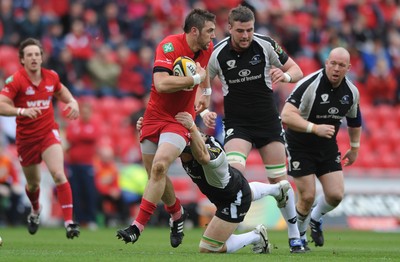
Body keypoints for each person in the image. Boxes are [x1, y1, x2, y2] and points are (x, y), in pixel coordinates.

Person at [205, 5, 305, 253]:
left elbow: (296, 70)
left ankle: (295, 236)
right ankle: (245, 230)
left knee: (279, 179)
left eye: (249, 30)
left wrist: (286, 78)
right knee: (233, 180)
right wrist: (204, 109)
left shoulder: (266, 44)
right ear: (229, 29)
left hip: (268, 123)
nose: (246, 35)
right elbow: (203, 86)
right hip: (238, 126)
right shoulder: (217, 54)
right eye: (240, 30)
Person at [116, 9, 216, 248]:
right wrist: (194, 81)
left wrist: (207, 93)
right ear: (194, 31)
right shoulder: (169, 46)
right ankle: (177, 212)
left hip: (179, 118)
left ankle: (136, 226)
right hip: (153, 116)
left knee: (160, 165)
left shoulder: (207, 48)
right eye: (209, 31)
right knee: (155, 174)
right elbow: (161, 84)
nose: (213, 36)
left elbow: (204, 72)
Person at [136, 113, 291, 254]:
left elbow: (203, 157)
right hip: (227, 191)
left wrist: (191, 127)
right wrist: (146, 130)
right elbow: (159, 152)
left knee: (208, 248)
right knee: (239, 192)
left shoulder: (213, 150)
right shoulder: (187, 147)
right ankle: (276, 190)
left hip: (233, 200)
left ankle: (256, 236)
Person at [281, 47, 362, 249]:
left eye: (341, 65)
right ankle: (298, 238)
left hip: (326, 145)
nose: (336, 68)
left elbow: (354, 120)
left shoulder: (351, 92)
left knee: (335, 195)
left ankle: (315, 219)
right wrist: (315, 128)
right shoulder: (309, 84)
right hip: (299, 143)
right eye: (332, 63)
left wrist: (354, 148)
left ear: (348, 68)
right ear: (326, 63)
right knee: (307, 196)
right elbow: (286, 115)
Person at [0, 38, 80, 239]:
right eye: (29, 55)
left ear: (42, 57)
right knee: (33, 184)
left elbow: (62, 92)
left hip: (48, 134)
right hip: (27, 139)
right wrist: (21, 111)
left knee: (59, 174)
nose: (34, 58)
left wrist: (73, 102)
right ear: (22, 60)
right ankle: (35, 210)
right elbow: (1, 104)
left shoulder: (51, 77)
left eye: (37, 54)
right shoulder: (16, 80)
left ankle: (69, 222)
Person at [65, 98, 100, 229]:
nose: (84, 114)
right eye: (82, 112)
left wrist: (78, 136)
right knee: (76, 192)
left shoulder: (94, 124)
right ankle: (79, 219)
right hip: (73, 164)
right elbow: (69, 137)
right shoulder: (74, 124)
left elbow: (93, 136)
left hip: (87, 164)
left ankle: (91, 219)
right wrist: (82, 135)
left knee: (89, 192)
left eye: (87, 112)